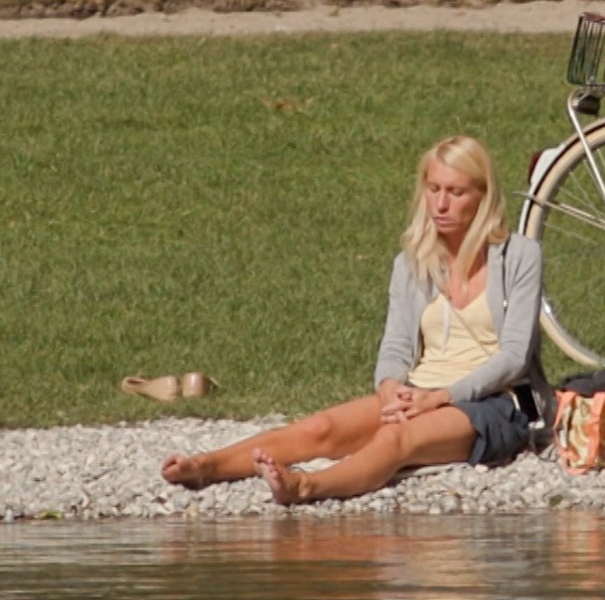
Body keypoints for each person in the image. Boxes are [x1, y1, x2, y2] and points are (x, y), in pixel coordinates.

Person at [160, 135, 542, 505]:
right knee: (320, 428)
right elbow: (395, 346)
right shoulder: (413, 262)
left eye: (456, 193)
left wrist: (441, 397)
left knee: (396, 440)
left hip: (492, 401)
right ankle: (208, 465)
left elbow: (513, 357)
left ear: (482, 197)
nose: (440, 204)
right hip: (420, 389)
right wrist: (390, 387)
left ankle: (306, 487)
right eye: (433, 189)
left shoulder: (519, 256)